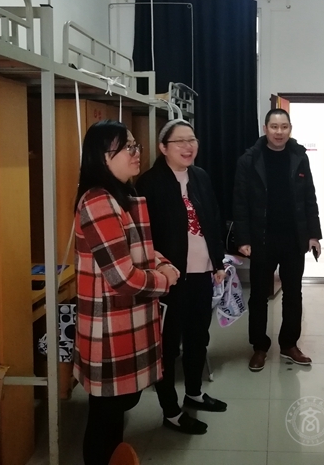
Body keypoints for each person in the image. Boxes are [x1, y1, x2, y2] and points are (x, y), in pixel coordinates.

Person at [73, 120, 179, 465]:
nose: (136, 153)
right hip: (110, 328)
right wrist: (164, 280)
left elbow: (138, 251)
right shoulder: (97, 202)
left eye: (136, 146)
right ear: (102, 157)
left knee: (116, 410)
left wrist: (163, 263)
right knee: (106, 415)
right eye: (128, 148)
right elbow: (123, 278)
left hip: (126, 321)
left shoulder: (120, 196)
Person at [136, 119, 228, 435]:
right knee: (168, 345)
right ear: (163, 148)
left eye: (192, 140)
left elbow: (212, 220)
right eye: (180, 141)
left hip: (202, 274)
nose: (188, 147)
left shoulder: (200, 177)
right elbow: (143, 237)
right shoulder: (149, 184)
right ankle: (171, 411)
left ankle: (194, 392)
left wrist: (217, 262)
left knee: (198, 337)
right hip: (169, 279)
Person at [233, 108, 322, 372]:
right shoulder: (249, 159)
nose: (279, 132)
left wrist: (313, 235)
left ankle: (289, 344)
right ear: (265, 129)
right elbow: (240, 202)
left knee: (293, 293)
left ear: (290, 129)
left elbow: (309, 198)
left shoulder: (299, 157)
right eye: (274, 127)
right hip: (262, 238)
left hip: (294, 239)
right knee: (259, 296)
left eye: (284, 127)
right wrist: (243, 238)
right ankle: (259, 347)